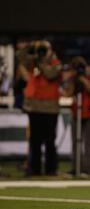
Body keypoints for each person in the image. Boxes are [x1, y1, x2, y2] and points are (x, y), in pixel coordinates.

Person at [19, 40, 61, 176]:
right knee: (35, 141)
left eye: (44, 49)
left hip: (50, 108)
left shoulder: (55, 63)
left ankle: (51, 170)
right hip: (35, 107)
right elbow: (19, 57)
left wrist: (44, 60)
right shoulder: (32, 61)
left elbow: (51, 74)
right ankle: (34, 170)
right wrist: (30, 47)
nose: (42, 52)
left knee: (50, 141)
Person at [62, 57, 90, 178]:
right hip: (75, 114)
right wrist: (73, 80)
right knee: (75, 143)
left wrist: (84, 80)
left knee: (89, 144)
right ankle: (76, 167)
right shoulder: (72, 79)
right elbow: (68, 93)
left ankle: (86, 169)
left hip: (89, 114)